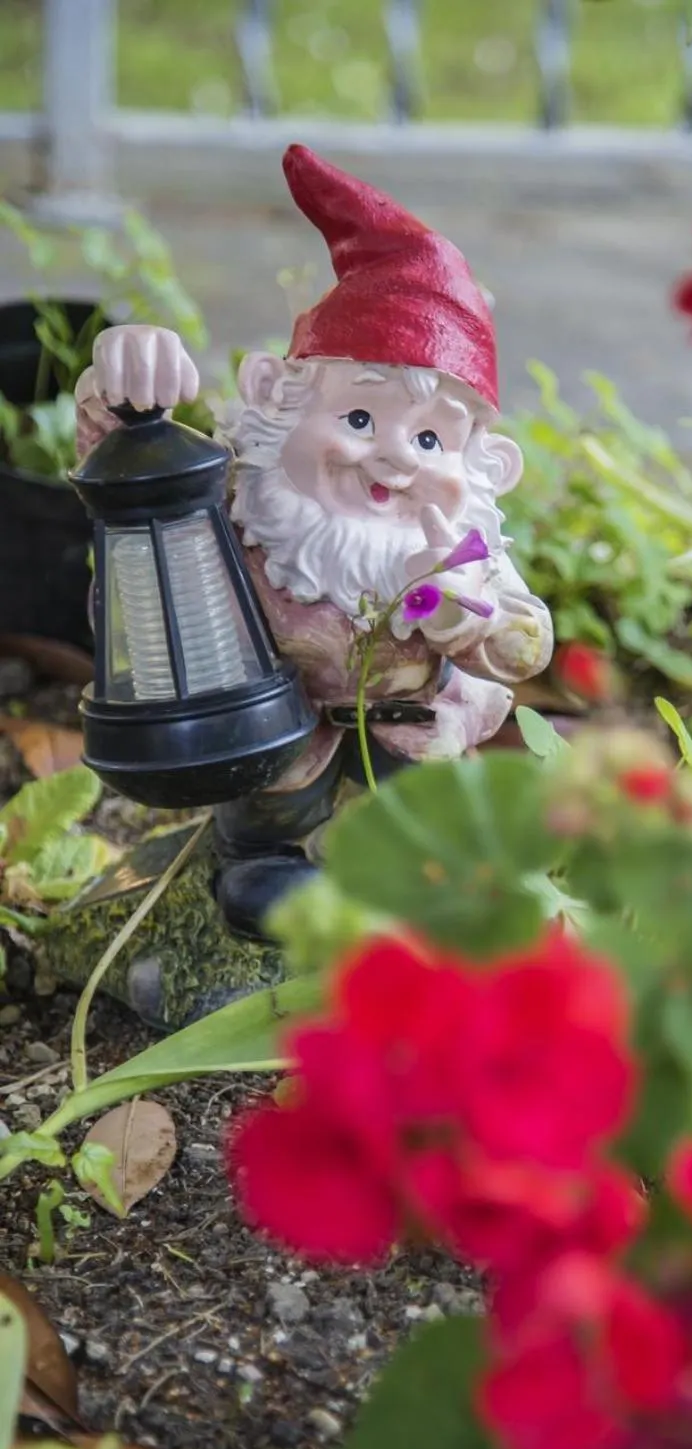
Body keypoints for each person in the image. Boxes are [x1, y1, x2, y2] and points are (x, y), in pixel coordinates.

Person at [74, 144, 553, 939]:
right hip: (270, 752)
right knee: (271, 832)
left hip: (412, 748)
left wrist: (463, 613)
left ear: (482, 465)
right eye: (359, 419)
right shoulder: (244, 513)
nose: (396, 457)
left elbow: (524, 643)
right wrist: (120, 399)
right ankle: (269, 867)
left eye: (432, 441)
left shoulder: (460, 544)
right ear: (278, 403)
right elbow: (132, 504)